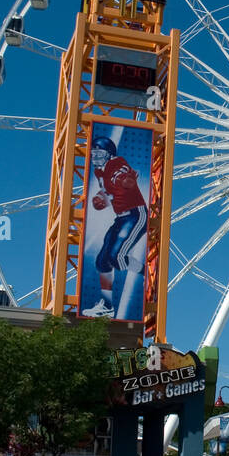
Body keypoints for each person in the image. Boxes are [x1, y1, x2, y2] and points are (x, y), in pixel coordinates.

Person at [80, 135, 148, 319]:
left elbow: (123, 177)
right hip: (121, 218)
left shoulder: (117, 165)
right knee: (102, 261)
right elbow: (110, 190)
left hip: (135, 215)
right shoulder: (99, 172)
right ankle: (107, 306)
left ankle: (147, 274)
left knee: (116, 257)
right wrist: (102, 197)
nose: (95, 157)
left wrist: (127, 180)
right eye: (93, 153)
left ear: (109, 155)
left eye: (100, 154)